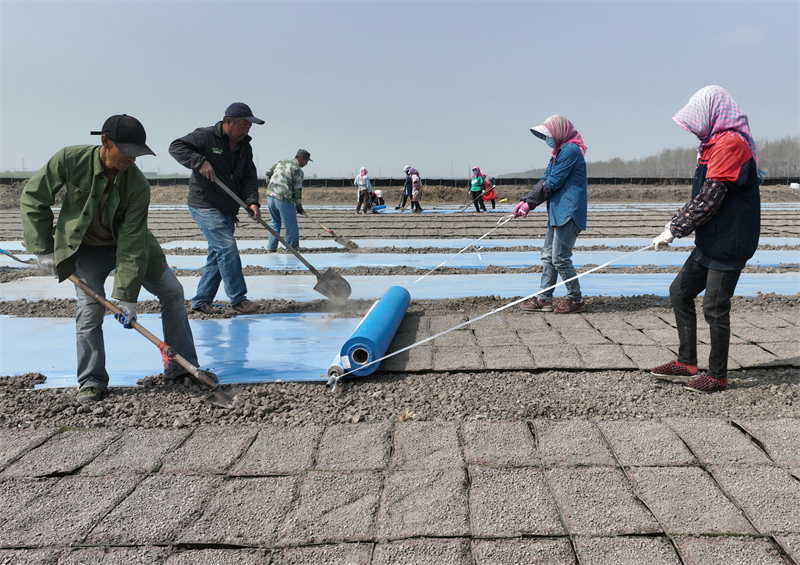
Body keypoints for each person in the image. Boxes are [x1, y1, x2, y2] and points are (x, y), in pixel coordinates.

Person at [20, 114, 211, 404]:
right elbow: (34, 197)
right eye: (128, 152)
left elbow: (133, 241)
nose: (133, 160)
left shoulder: (137, 184)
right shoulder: (70, 159)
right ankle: (91, 380)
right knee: (89, 311)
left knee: (173, 291)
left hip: (130, 244)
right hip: (85, 249)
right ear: (105, 142)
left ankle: (181, 368)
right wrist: (44, 247)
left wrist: (126, 297)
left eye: (138, 153)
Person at [651, 86, 760, 393]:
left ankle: (717, 375)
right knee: (680, 291)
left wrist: (674, 229)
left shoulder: (730, 145)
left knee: (714, 307)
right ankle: (687, 362)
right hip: (711, 239)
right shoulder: (711, 145)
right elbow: (702, 196)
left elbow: (710, 198)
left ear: (713, 113)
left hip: (730, 241)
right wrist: (677, 224)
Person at [169, 102, 264, 315]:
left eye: (249, 127)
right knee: (227, 247)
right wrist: (199, 161)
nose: (246, 131)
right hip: (205, 204)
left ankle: (201, 300)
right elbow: (176, 146)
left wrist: (252, 202)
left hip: (228, 207)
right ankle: (238, 299)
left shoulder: (244, 147)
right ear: (228, 122)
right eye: (243, 126)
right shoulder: (205, 137)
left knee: (217, 254)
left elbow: (249, 176)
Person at [513, 115, 588, 314]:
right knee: (548, 257)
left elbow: (553, 182)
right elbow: (545, 178)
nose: (548, 139)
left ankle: (576, 299)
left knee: (560, 258)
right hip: (556, 212)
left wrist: (530, 204)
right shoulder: (558, 152)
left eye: (549, 134)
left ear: (559, 132)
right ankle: (544, 299)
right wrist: (525, 200)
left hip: (569, 211)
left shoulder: (571, 150)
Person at [264, 149, 311, 251]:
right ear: (300, 159)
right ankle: (291, 248)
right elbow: (297, 190)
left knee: (275, 222)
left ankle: (271, 247)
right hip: (283, 198)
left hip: (270, 196)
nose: (306, 163)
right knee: (290, 224)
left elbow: (268, 173)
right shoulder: (297, 170)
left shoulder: (281, 162)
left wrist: (270, 186)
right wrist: (299, 207)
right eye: (306, 161)